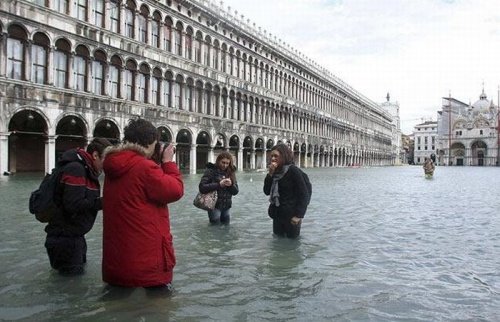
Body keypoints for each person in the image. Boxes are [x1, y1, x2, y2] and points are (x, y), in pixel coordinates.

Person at [101, 118, 183, 291]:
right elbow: (175, 190)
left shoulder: (114, 164)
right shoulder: (143, 167)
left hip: (118, 260)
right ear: (150, 142)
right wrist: (168, 162)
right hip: (147, 261)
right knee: (158, 308)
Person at [44, 137, 112, 275]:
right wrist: (105, 202)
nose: (108, 165)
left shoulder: (84, 169)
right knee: (69, 286)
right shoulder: (76, 169)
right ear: (95, 155)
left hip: (74, 238)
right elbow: (73, 205)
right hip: (65, 241)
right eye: (106, 159)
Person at [263, 143, 309, 238]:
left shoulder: (293, 171)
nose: (273, 159)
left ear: (284, 156)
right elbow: (266, 191)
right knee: (277, 242)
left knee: (292, 245)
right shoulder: (274, 172)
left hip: (292, 217)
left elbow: (304, 194)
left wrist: (299, 215)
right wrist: (270, 175)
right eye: (271, 156)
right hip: (277, 215)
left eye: (276, 156)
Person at [199, 151, 239, 224]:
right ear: (218, 161)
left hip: (227, 206)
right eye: (223, 162)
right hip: (214, 206)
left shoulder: (231, 172)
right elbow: (202, 187)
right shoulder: (210, 170)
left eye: (227, 163)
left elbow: (236, 192)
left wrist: (231, 185)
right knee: (215, 230)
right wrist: (219, 184)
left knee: (226, 228)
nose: (225, 165)